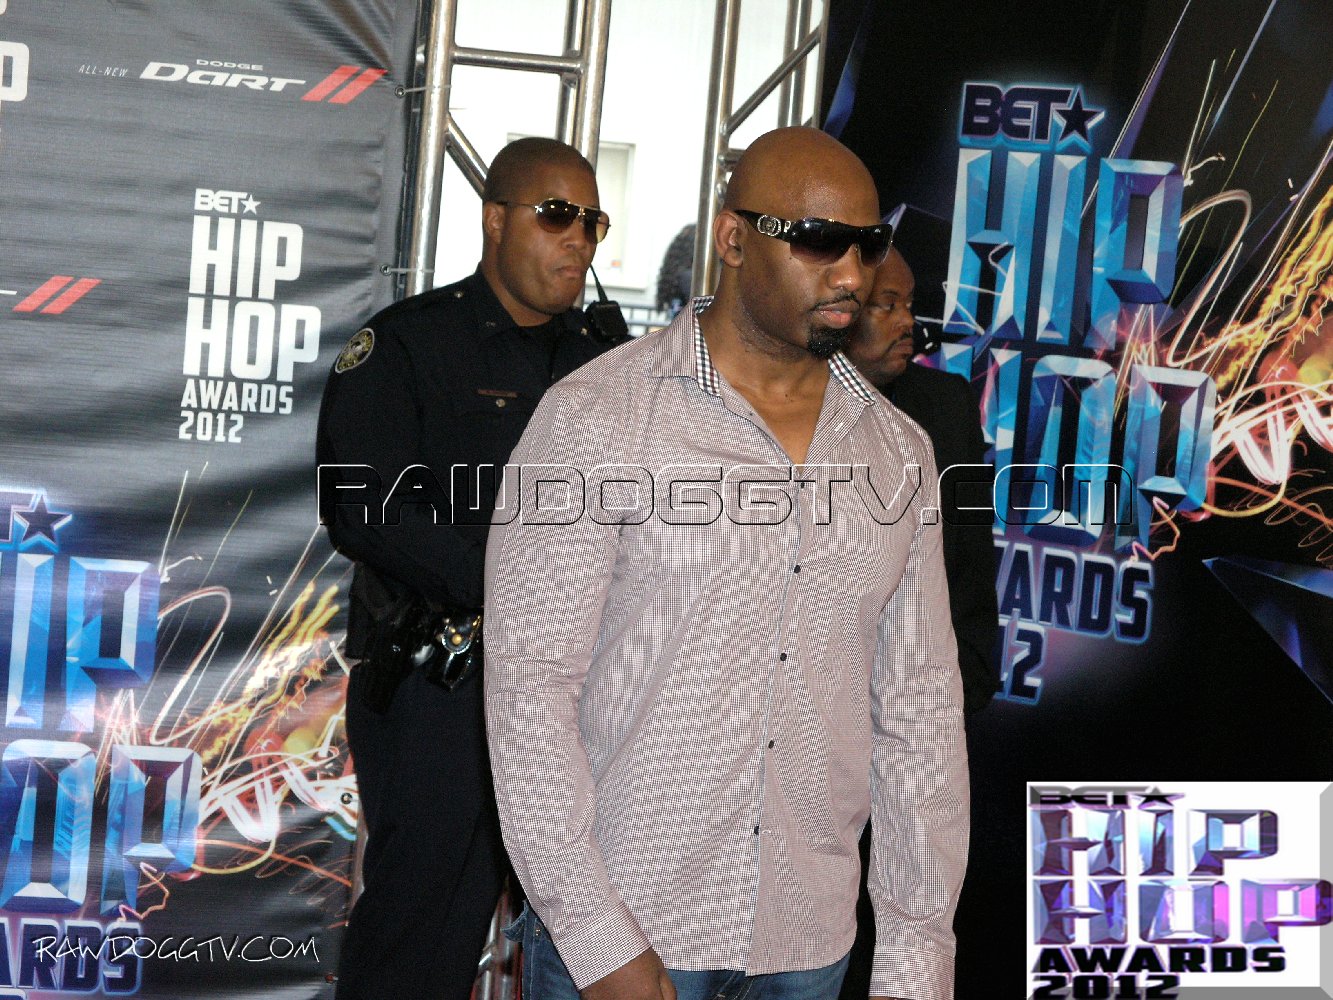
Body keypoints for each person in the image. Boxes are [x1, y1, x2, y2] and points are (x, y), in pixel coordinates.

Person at [483, 126, 969, 1000]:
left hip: (808, 940)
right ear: (733, 239)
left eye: (866, 245)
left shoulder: (897, 454)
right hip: (630, 928)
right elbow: (528, 690)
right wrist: (593, 934)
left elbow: (918, 715)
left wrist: (915, 959)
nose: (851, 274)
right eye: (817, 241)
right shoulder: (596, 417)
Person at [317, 136, 614, 1000]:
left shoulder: (605, 362)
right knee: (424, 930)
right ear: (494, 219)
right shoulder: (411, 343)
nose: (577, 238)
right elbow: (363, 507)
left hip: (579, 690)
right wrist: (517, 588)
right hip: (445, 683)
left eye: (592, 222)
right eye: (555, 215)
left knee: (587, 928)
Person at [839, 247, 1000, 1000]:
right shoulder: (785, 406)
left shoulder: (942, 406)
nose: (910, 323)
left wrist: (966, 679)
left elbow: (969, 555)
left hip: (920, 714)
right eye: (888, 305)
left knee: (908, 923)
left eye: (910, 305)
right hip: (814, 726)